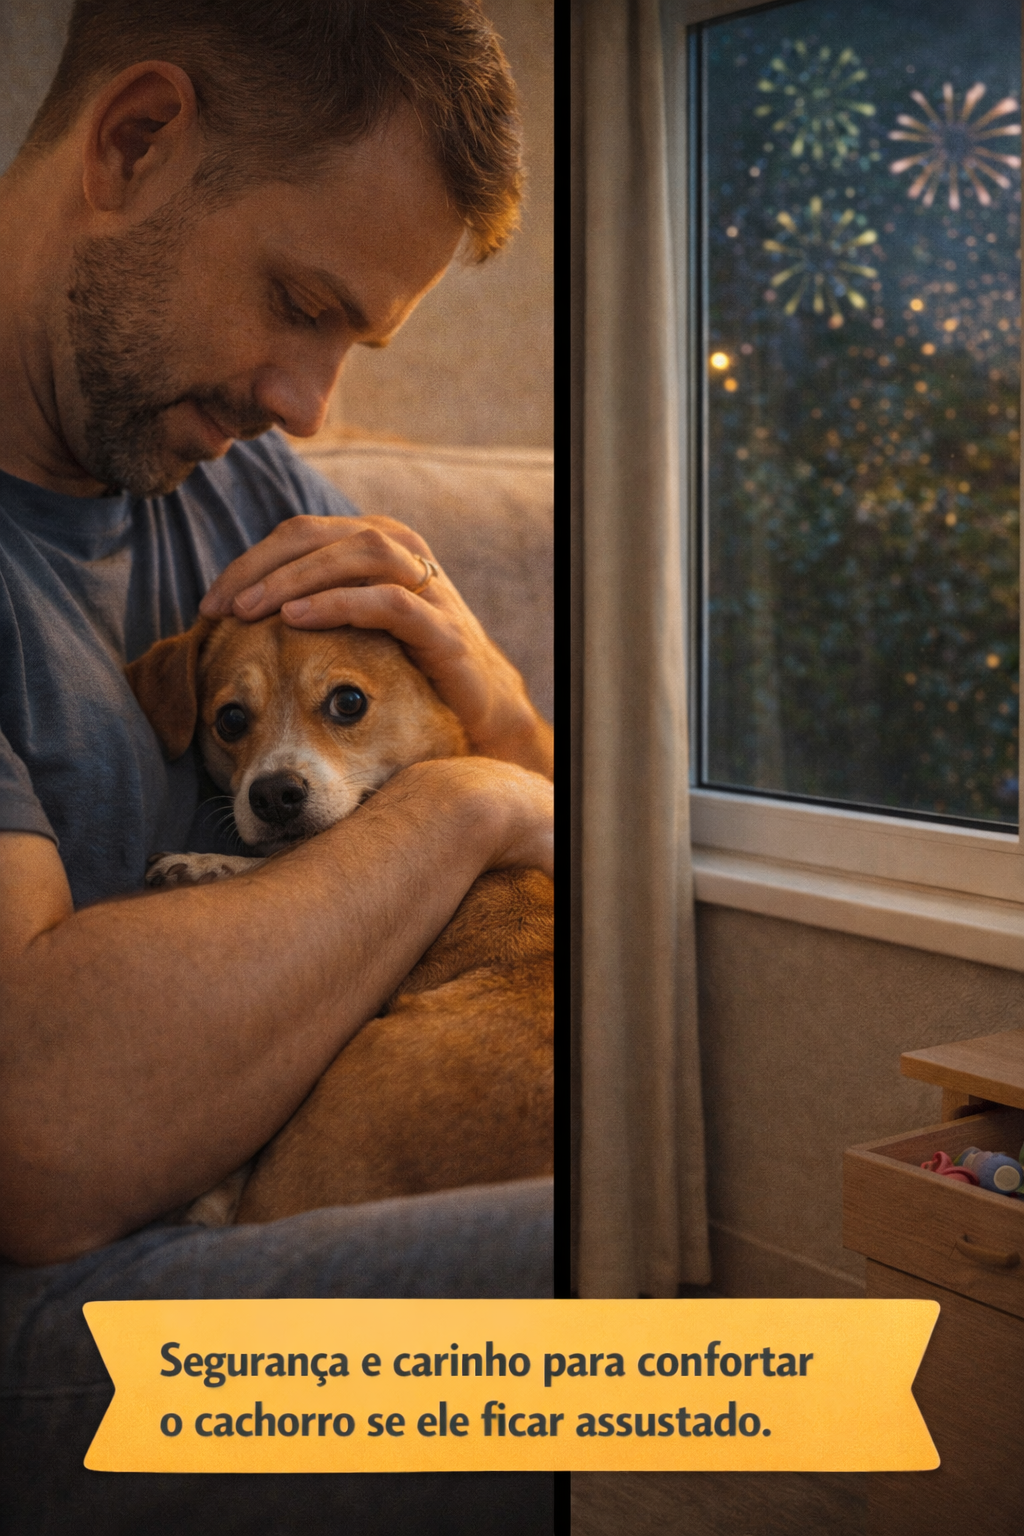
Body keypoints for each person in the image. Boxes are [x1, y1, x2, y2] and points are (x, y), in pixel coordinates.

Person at [0, 3, 554, 1530]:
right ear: (133, 142)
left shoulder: (238, 476)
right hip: (84, 1305)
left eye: (350, 341)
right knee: (689, 1312)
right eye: (299, 303)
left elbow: (561, 820)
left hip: (287, 1164)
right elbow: (37, 1137)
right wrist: (466, 805)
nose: (314, 409)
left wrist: (495, 704)